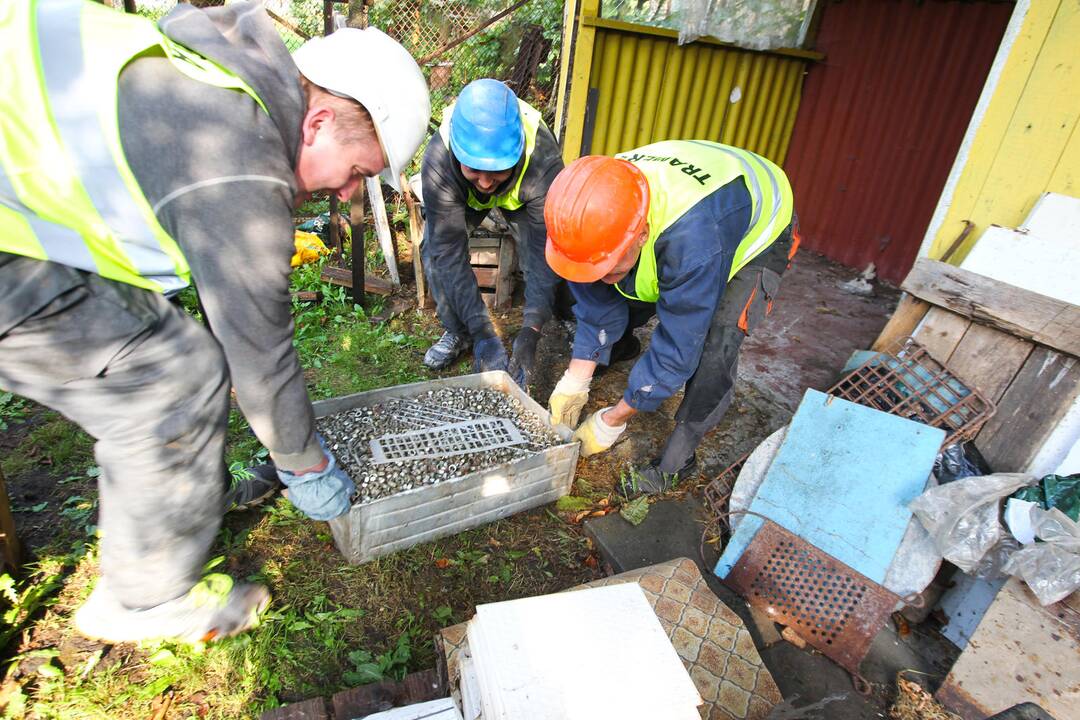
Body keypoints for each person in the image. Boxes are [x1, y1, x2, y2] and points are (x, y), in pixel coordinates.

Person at [0, 0, 429, 643]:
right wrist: (304, 465)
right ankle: (143, 598)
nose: (346, 194)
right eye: (357, 174)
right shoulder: (237, 161)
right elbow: (260, 352)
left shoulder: (220, 69)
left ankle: (163, 509)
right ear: (316, 123)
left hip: (28, 221)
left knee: (172, 353)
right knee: (169, 377)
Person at [544, 141, 798, 495]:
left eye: (606, 265)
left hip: (756, 218)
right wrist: (575, 379)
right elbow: (595, 304)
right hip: (697, 193)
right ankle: (620, 348)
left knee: (715, 342)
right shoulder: (585, 214)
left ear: (643, 233)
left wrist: (613, 419)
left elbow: (681, 340)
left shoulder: (693, 241)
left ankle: (679, 458)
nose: (598, 275)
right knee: (614, 284)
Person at [419, 79, 564, 386]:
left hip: (524, 194)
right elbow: (449, 253)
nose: (485, 183)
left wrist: (531, 332)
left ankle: (558, 319)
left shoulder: (543, 159)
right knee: (433, 250)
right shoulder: (439, 160)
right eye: (474, 169)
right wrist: (483, 331)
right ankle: (459, 331)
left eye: (496, 169)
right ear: (458, 155)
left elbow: (542, 251)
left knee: (554, 250)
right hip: (461, 196)